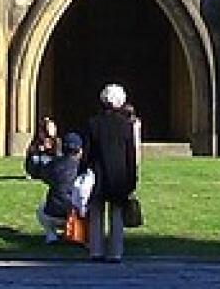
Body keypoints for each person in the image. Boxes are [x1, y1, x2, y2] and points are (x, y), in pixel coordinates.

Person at [82, 82, 141, 264]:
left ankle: (96, 251)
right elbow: (130, 155)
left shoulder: (93, 123)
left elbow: (88, 152)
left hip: (99, 174)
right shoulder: (126, 125)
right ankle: (115, 253)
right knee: (117, 215)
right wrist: (132, 179)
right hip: (119, 176)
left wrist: (84, 171)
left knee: (96, 213)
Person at [30, 130, 85, 243]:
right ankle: (79, 233)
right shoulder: (83, 167)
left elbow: (37, 172)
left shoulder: (54, 164)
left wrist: (38, 152)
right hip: (75, 213)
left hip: (53, 211)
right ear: (79, 150)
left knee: (41, 208)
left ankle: (51, 235)